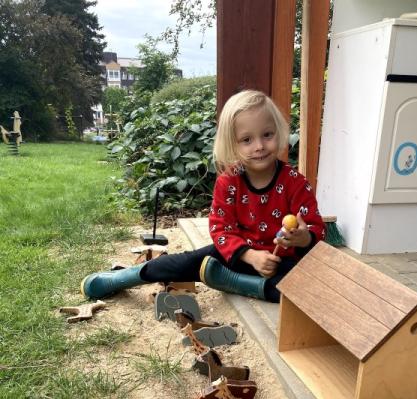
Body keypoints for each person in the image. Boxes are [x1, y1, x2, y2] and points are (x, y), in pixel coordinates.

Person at [81, 90, 325, 303]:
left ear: (279, 132)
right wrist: (250, 256)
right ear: (232, 144)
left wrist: (303, 238)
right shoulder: (229, 182)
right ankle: (122, 278)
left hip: (279, 263)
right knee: (182, 263)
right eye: (247, 140)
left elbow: (315, 229)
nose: (259, 146)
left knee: (304, 293)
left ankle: (233, 283)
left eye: (267, 135)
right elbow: (221, 229)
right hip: (235, 256)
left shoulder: (295, 182)